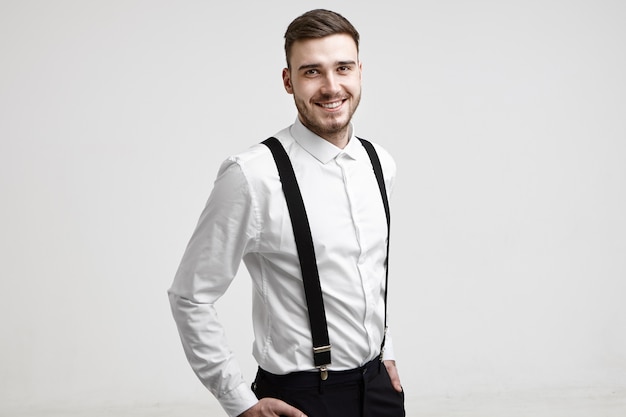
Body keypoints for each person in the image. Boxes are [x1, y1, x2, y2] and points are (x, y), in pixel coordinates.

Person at [168, 9, 405, 417]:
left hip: (378, 389)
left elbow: (364, 273)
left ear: (360, 72)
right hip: (302, 398)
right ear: (288, 80)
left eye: (343, 68)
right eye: (312, 71)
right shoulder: (252, 175)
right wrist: (239, 402)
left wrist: (386, 351)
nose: (332, 87)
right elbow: (190, 296)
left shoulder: (379, 162)